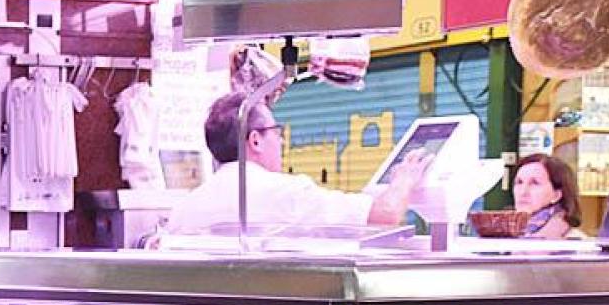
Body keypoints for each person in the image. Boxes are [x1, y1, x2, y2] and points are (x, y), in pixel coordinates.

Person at [163, 92, 427, 236]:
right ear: (255, 140)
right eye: (276, 132)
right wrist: (405, 178)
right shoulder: (286, 193)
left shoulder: (184, 209)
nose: (282, 141)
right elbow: (384, 216)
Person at [511, 152, 582, 238]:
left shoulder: (574, 242)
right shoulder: (504, 232)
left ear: (556, 195)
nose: (523, 192)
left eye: (535, 183)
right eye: (519, 182)